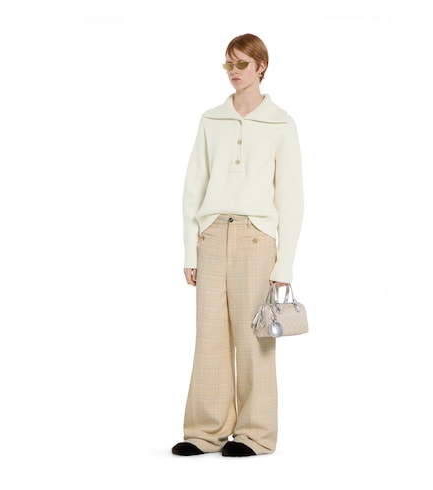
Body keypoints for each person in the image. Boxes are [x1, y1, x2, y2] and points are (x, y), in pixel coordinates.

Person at [172, 33, 304, 457]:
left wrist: (284, 263)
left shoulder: (280, 123)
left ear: (261, 67)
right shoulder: (211, 120)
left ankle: (255, 434)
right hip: (212, 235)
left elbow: (291, 198)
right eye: (228, 64)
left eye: (242, 64)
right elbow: (193, 189)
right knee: (209, 337)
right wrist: (190, 251)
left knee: (254, 339)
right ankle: (204, 432)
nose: (233, 72)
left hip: (255, 238)